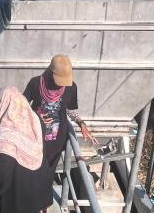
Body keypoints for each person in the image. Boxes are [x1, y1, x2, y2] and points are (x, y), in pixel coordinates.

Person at [0, 86, 53, 213]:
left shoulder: (8, 133)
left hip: (17, 199)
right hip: (36, 190)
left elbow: (3, 168)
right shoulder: (35, 119)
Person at [23, 54, 98, 183]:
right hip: (35, 135)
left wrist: (81, 124)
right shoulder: (35, 83)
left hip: (57, 140)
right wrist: (36, 115)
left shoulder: (71, 87)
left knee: (49, 172)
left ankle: (44, 193)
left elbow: (70, 110)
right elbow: (22, 106)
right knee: (31, 170)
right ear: (51, 73)